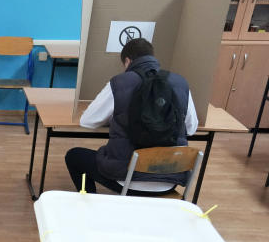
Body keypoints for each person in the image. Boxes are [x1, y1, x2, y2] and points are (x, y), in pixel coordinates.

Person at [64, 37, 199, 194]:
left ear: (127, 61)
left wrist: (117, 117)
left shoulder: (120, 83)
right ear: (153, 57)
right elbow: (191, 128)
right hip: (170, 179)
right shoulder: (180, 83)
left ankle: (91, 202)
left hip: (128, 180)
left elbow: (87, 121)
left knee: (74, 156)